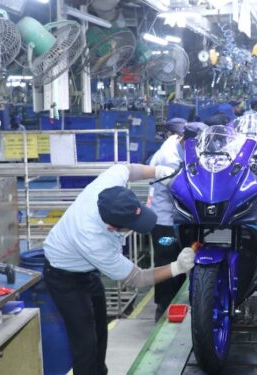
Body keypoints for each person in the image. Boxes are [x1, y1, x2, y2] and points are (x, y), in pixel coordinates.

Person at [43, 163, 194, 375]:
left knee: (99, 331)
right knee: (85, 342)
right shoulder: (93, 239)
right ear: (114, 228)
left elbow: (128, 169)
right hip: (63, 277)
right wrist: (176, 267)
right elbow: (137, 278)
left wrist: (159, 171)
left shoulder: (108, 185)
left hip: (85, 270)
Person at [148, 122, 208, 319]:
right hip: (165, 222)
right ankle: (163, 310)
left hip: (173, 217)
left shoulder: (175, 140)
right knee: (168, 265)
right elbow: (183, 192)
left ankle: (174, 306)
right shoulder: (171, 160)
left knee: (180, 263)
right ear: (188, 142)